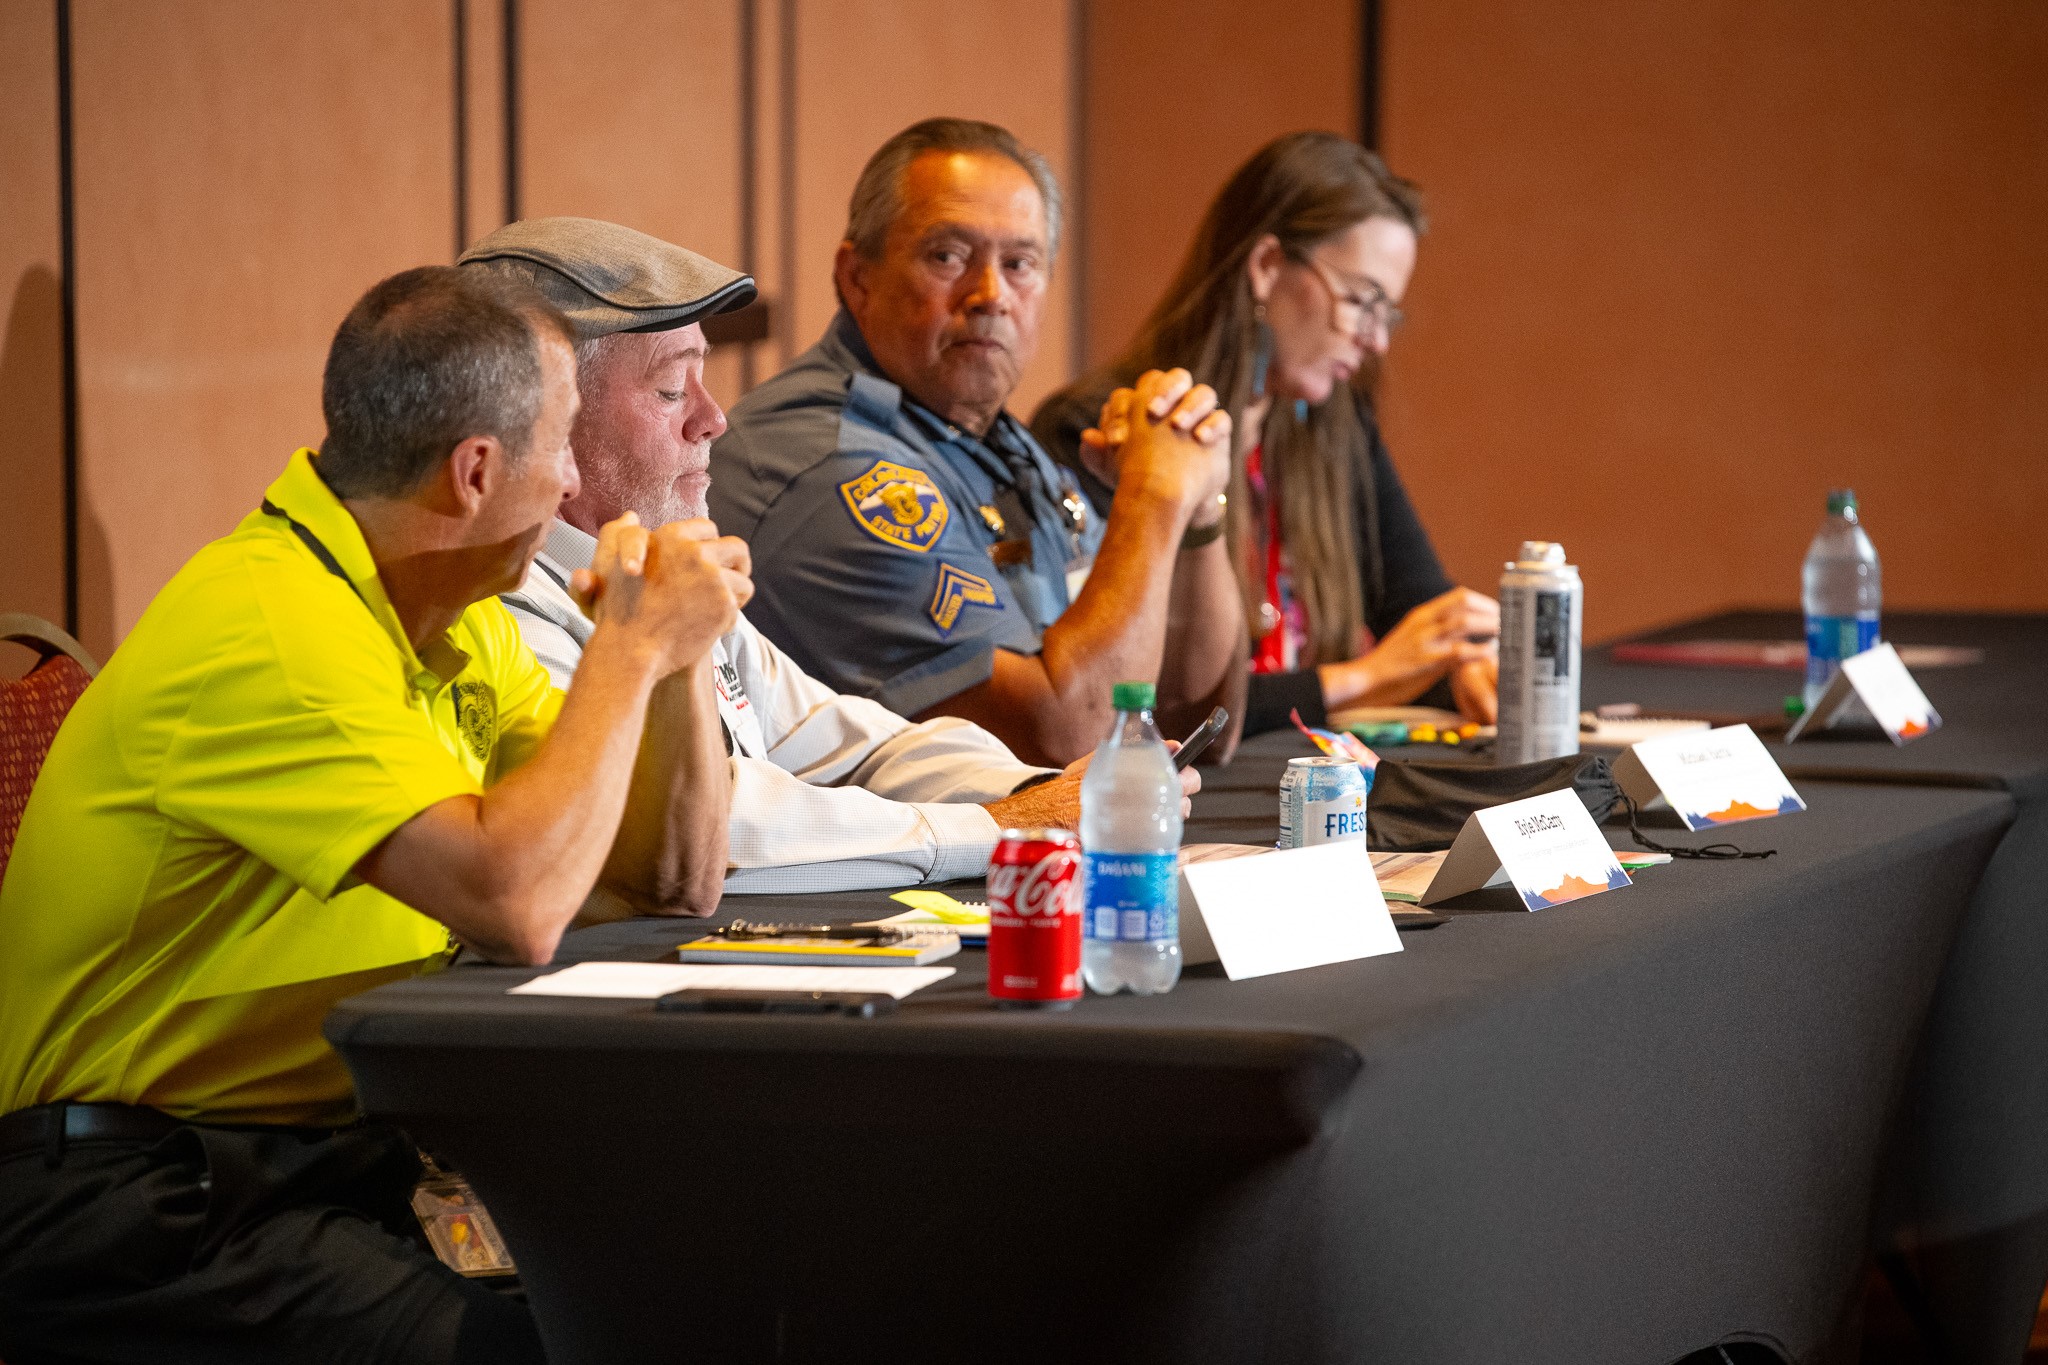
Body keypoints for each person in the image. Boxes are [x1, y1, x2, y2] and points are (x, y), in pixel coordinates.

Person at [0, 266, 746, 1364]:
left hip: (322, 1161)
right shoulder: (273, 631)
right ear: (476, 472)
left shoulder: (451, 608)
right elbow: (521, 903)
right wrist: (629, 646)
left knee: (681, 1299)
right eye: (564, 446)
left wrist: (678, 661)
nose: (583, 478)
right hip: (137, 1206)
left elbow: (666, 881)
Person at [462, 217, 1173, 896]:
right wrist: (999, 827)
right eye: (673, 387)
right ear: (546, 414)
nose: (714, 418)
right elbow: (713, 830)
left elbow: (852, 742)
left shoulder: (659, 571)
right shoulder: (499, 602)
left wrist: (1046, 791)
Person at [711, 118, 1247, 768]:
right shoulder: (828, 463)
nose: (990, 295)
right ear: (857, 277)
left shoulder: (989, 439)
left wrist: (1198, 513)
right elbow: (1064, 741)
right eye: (948, 256)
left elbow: (1194, 722)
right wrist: (1155, 492)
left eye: (1020, 264)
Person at [1032, 132, 1500, 738]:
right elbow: (1135, 702)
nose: (1376, 340)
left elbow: (1419, 618)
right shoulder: (1108, 429)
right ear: (1266, 267)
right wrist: (1361, 680)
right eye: (1361, 301)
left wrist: (1467, 661)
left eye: (1388, 314)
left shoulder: (1337, 425)